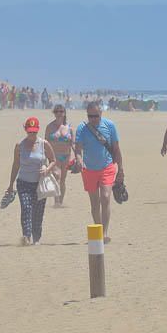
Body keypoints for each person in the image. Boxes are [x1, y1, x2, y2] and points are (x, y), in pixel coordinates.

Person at [74, 101, 124, 243]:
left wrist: (121, 169)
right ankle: (98, 230)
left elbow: (116, 149)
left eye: (96, 116)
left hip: (107, 167)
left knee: (106, 197)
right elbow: (78, 149)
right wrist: (79, 160)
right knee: (95, 203)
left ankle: (105, 232)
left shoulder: (110, 126)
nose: (93, 119)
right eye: (90, 116)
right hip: (89, 169)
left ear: (101, 113)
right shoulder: (82, 128)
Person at [6, 117, 56, 246]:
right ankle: (26, 237)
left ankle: (37, 238)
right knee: (26, 208)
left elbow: (53, 160)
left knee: (38, 213)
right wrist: (11, 184)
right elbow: (15, 165)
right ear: (25, 130)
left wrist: (47, 169)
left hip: (40, 184)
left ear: (38, 130)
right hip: (23, 183)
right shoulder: (19, 146)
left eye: (34, 132)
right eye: (29, 131)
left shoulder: (44, 144)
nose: (32, 134)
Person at [44, 104, 75, 207]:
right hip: (54, 156)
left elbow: (73, 143)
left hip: (66, 156)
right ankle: (56, 201)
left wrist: (78, 157)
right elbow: (46, 143)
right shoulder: (49, 127)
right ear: (54, 113)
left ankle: (60, 201)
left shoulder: (69, 127)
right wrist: (45, 157)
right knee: (57, 176)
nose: (59, 114)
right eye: (56, 112)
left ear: (64, 113)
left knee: (63, 180)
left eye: (61, 111)